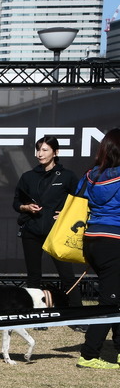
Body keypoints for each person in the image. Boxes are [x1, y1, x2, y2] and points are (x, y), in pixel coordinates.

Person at [12, 136, 83, 314]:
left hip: (57, 233)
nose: (39, 154)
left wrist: (66, 214)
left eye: (44, 150)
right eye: (38, 150)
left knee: (67, 275)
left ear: (55, 152)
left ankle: (77, 314)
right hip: (31, 231)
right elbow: (16, 203)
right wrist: (25, 207)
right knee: (34, 276)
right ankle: (35, 314)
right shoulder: (27, 177)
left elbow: (80, 201)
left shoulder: (68, 176)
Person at [75, 128, 120, 370]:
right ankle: (89, 354)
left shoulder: (91, 175)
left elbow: (77, 197)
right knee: (109, 302)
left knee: (115, 297)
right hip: (114, 240)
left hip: (92, 239)